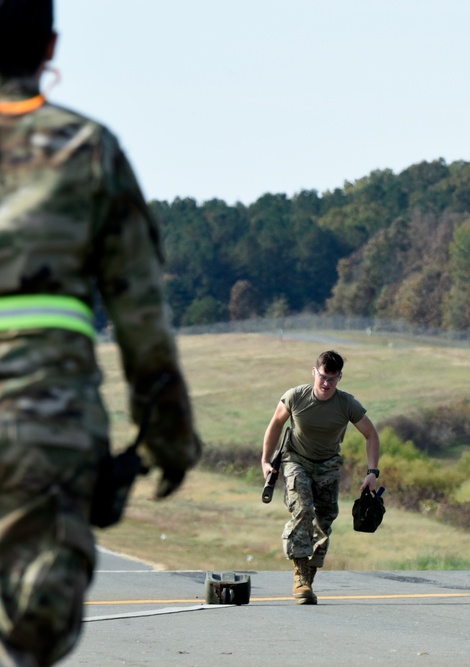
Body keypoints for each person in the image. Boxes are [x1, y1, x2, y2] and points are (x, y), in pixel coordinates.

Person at [0, 2, 202, 665]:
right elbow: (141, 316)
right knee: (39, 618)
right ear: (49, 45)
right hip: (44, 421)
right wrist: (168, 434)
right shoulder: (88, 151)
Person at [261, 350, 381, 605]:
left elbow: (371, 434)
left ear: (340, 378)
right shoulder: (295, 397)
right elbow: (275, 425)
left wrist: (372, 473)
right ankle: (300, 576)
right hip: (296, 461)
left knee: (324, 523)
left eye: (333, 379)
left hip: (327, 466)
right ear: (314, 372)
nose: (327, 384)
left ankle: (308, 577)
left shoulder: (347, 404)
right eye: (323, 377)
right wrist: (265, 460)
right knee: (303, 510)